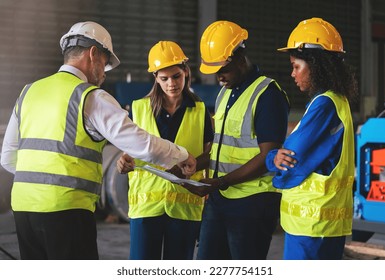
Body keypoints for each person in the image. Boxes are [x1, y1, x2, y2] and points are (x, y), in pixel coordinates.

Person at [0, 21, 197, 260]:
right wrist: (183, 155)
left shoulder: (28, 91)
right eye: (104, 64)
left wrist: (39, 183)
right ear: (93, 54)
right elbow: (141, 144)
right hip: (68, 210)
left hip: (23, 208)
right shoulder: (90, 96)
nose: (103, 73)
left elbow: (8, 157)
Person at [183, 20, 290, 260]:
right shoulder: (225, 92)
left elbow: (268, 157)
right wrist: (193, 164)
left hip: (253, 204)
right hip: (221, 198)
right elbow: (224, 147)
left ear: (240, 60)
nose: (218, 77)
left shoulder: (268, 95)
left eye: (222, 70)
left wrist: (220, 182)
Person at [265, 17, 358, 260]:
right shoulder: (338, 101)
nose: (292, 73)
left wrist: (271, 158)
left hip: (310, 225)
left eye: (296, 66)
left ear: (315, 65)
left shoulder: (324, 104)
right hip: (327, 225)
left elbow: (290, 161)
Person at [116, 41, 214, 260]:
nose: (171, 83)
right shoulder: (138, 109)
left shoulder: (200, 111)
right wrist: (123, 161)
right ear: (155, 78)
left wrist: (197, 164)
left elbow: (210, 154)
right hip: (146, 206)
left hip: (184, 206)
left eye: (176, 76)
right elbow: (127, 152)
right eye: (164, 78)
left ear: (186, 72)